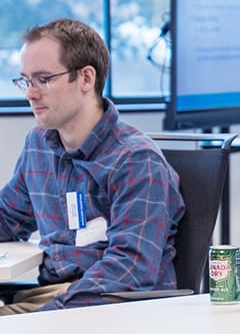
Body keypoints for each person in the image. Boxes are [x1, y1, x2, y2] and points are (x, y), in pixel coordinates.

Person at [0, 18, 185, 315]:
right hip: (50, 297)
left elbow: (131, 270)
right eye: (26, 80)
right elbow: (7, 218)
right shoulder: (39, 146)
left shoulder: (136, 161)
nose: (30, 94)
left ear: (86, 78)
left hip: (110, 307)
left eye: (43, 79)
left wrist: (49, 315)